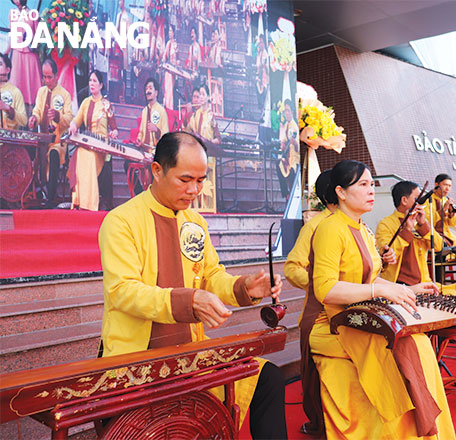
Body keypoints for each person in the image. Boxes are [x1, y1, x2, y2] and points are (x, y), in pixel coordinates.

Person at [98, 131, 288, 439]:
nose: (194, 190)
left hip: (191, 355)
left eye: (201, 180)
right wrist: (189, 300)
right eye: (185, 179)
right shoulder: (122, 221)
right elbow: (122, 292)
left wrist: (244, 288)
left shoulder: (195, 223)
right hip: (136, 361)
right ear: (157, 170)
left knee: (268, 378)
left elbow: (211, 275)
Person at [300, 160, 456, 439]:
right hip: (329, 322)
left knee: (417, 342)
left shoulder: (362, 229)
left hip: (356, 315)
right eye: (363, 184)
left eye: (372, 184)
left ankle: (426, 430)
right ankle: (400, 427)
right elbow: (325, 290)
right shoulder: (328, 228)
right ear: (341, 192)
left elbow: (369, 278)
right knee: (399, 347)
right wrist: (380, 292)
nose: (371, 190)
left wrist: (411, 288)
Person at [68, 70, 119, 211]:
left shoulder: (106, 104)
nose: (92, 83)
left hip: (101, 148)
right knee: (80, 154)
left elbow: (115, 128)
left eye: (95, 81)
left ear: (101, 85)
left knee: (89, 157)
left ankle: (90, 204)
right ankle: (79, 201)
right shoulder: (85, 102)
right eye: (90, 80)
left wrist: (113, 133)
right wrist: (73, 126)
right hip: (87, 143)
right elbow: (76, 121)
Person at [28, 58, 73, 208]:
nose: (47, 80)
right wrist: (34, 118)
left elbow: (69, 119)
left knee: (54, 154)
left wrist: (58, 117)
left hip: (58, 141)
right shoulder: (41, 92)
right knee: (31, 151)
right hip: (43, 140)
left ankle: (50, 199)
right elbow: (37, 111)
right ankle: (36, 193)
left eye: (50, 77)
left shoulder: (65, 94)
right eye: (44, 77)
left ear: (56, 75)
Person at [8, 0, 41, 106]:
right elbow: (11, 35)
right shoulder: (11, 14)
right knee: (16, 84)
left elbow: (38, 36)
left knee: (32, 86)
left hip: (30, 54)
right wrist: (6, 52)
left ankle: (34, 114)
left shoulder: (33, 14)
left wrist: (33, 42)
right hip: (17, 54)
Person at [137, 77, 169, 150]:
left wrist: (157, 130)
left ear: (156, 93)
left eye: (150, 88)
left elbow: (166, 136)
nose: (148, 91)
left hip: (155, 151)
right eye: (146, 89)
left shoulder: (161, 111)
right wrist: (139, 140)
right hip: (143, 149)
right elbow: (141, 131)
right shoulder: (144, 110)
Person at [431, 173, 456, 247]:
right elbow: (428, 222)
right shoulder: (428, 200)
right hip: (433, 235)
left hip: (446, 235)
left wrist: (451, 212)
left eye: (449, 186)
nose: (447, 189)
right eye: (445, 185)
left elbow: (452, 224)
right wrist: (443, 210)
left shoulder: (445, 200)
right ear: (436, 184)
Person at [277, 99, 299, 198]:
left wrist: (294, 143)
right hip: (288, 157)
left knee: (291, 175)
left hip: (294, 159)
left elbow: (298, 147)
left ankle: (290, 195)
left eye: (288, 110)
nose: (286, 113)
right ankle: (286, 194)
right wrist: (283, 143)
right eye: (285, 110)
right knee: (278, 164)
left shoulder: (295, 126)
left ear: (292, 112)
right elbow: (285, 139)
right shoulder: (287, 124)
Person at [0, 53, 27, 130]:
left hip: (9, 137)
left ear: (7, 70)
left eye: (0, 64)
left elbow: (24, 121)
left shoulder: (15, 91)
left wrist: (8, 109)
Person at [161, 24, 178, 110]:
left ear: (174, 32)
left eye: (171, 31)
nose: (170, 33)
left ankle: (170, 108)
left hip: (173, 70)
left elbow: (177, 59)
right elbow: (164, 56)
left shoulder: (175, 45)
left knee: (171, 89)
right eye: (169, 31)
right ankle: (167, 107)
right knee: (167, 89)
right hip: (168, 69)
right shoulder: (168, 43)